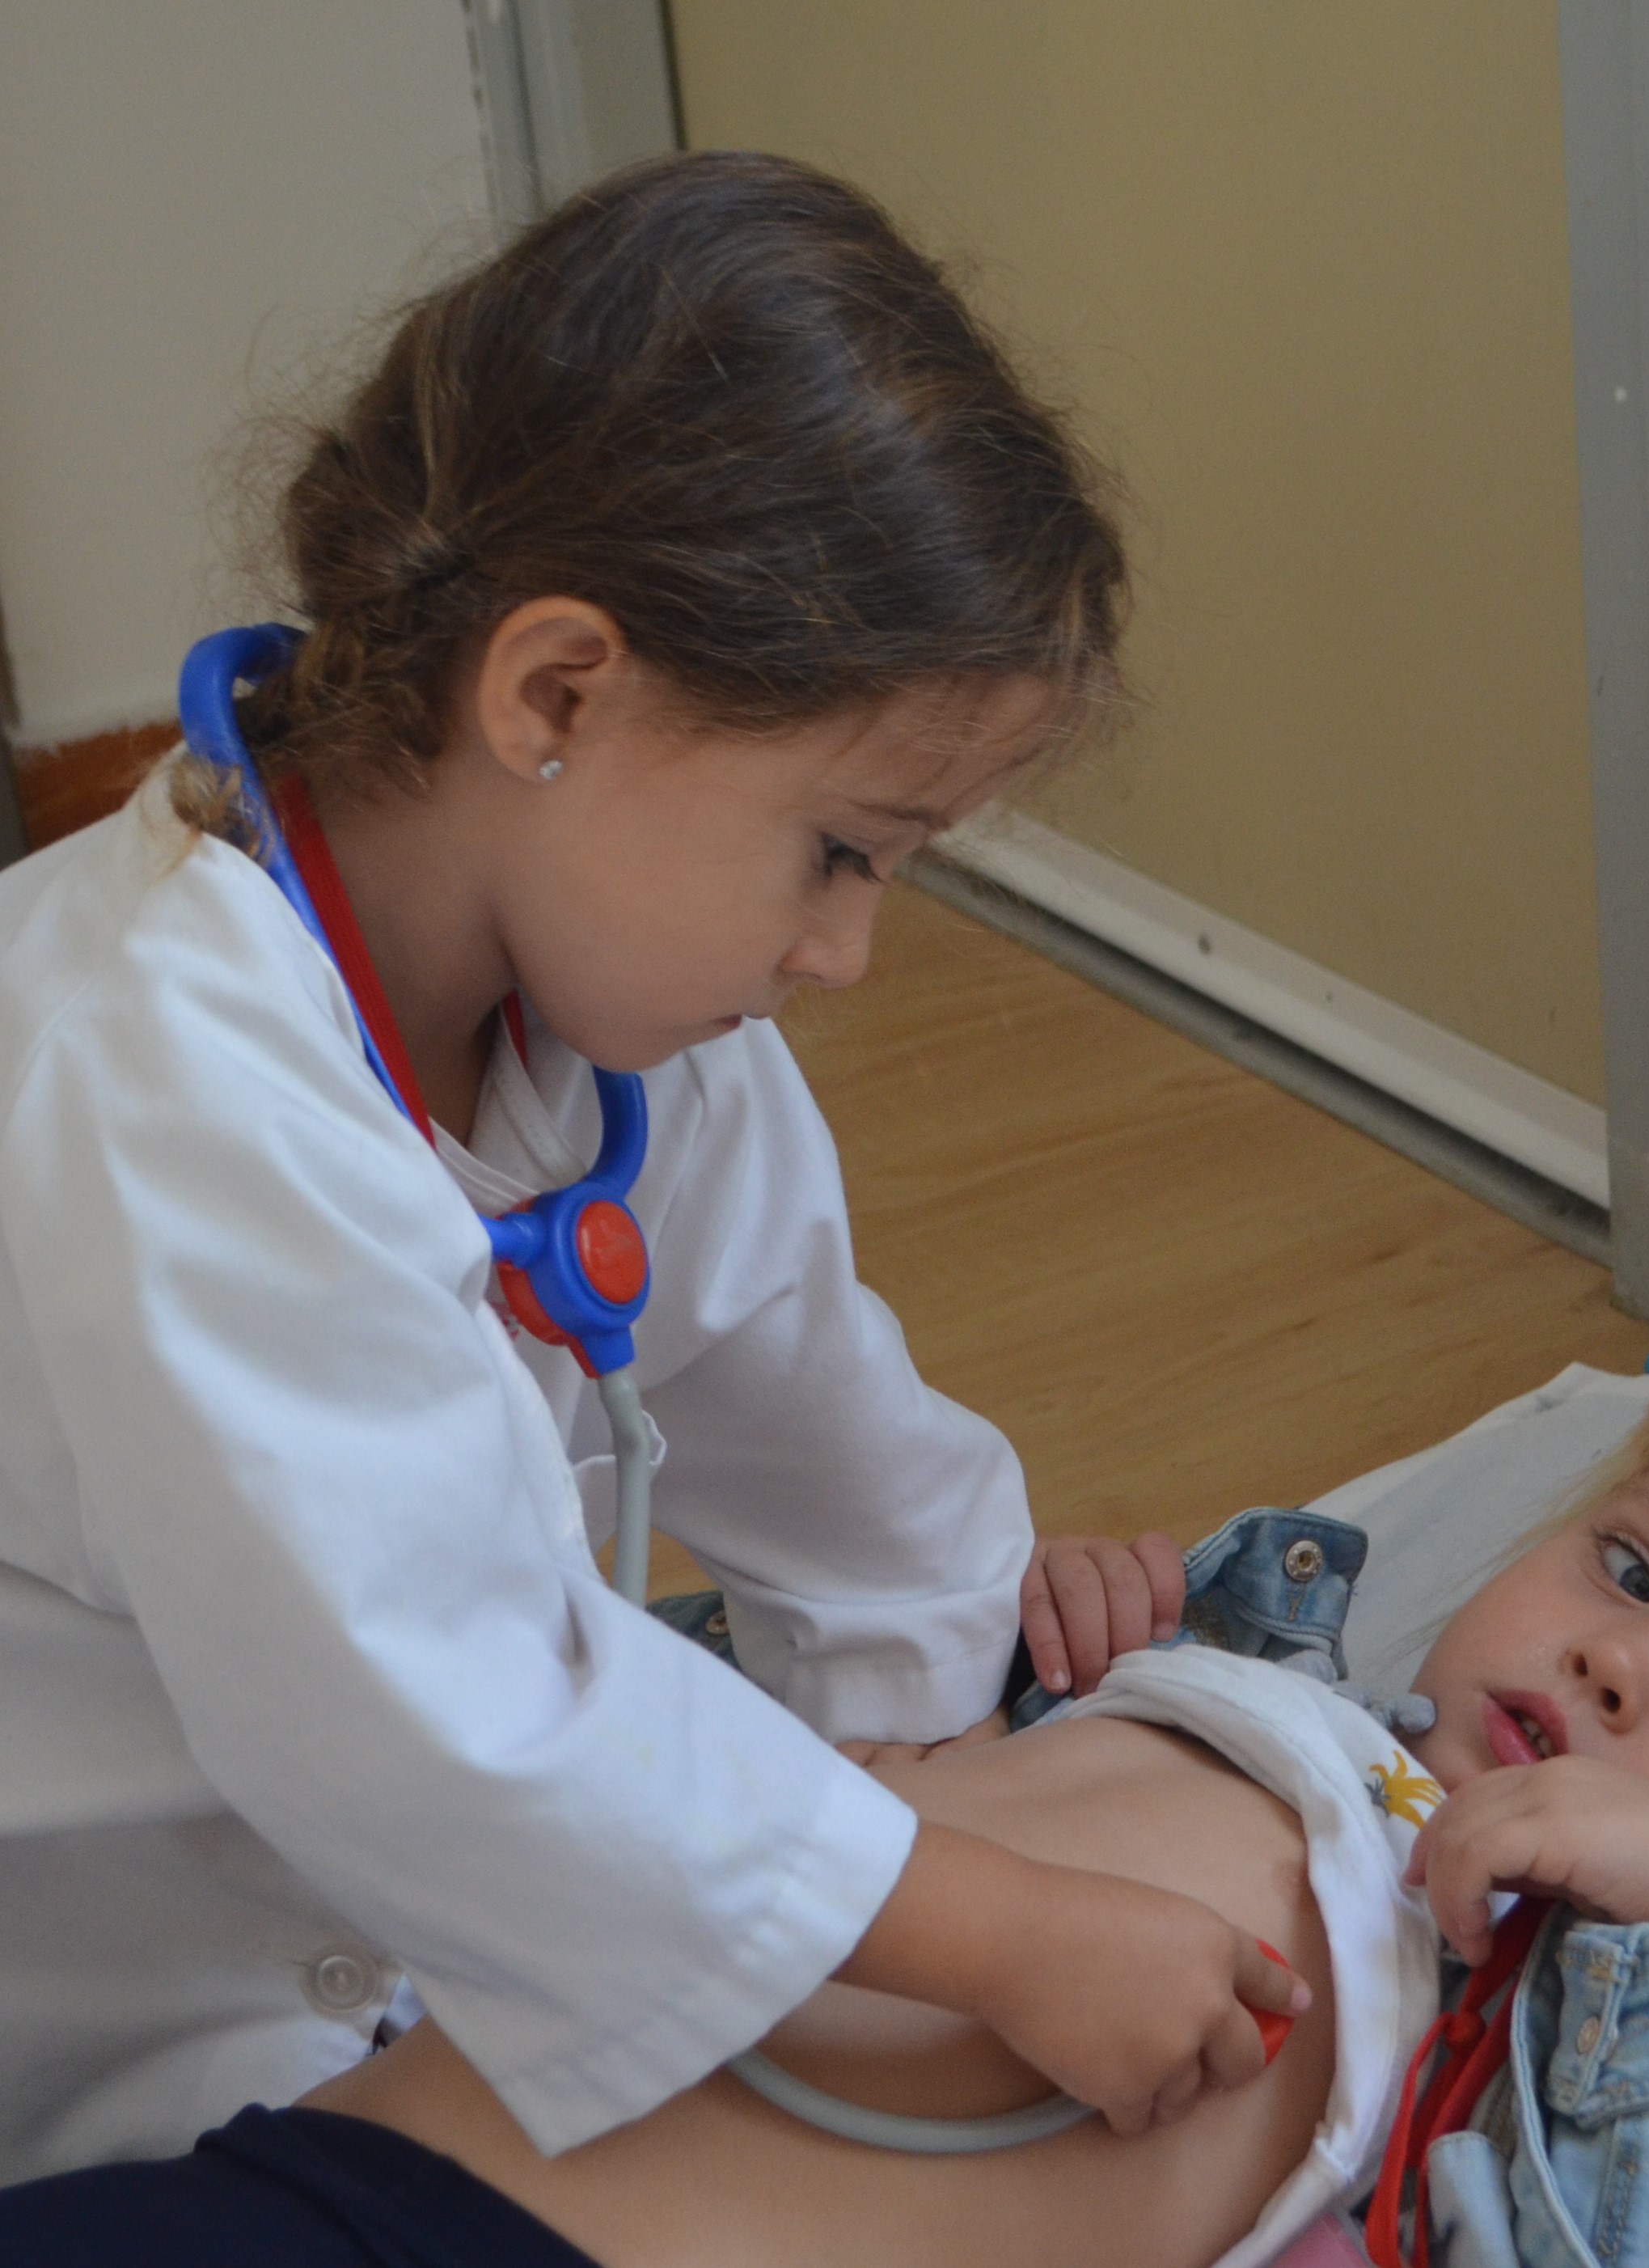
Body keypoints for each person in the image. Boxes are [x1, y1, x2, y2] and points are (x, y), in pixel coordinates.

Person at [0, 150, 1304, 2190]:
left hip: (370, 1938)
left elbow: (855, 1480)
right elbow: (450, 1718)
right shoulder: (152, 1079)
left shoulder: (629, 1040)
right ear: (555, 694)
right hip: (86, 2007)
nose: (844, 952)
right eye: (839, 851)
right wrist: (991, 1926)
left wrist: (943, 1764)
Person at [2, 1356, 1649, 2266]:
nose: (1610, 1666)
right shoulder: (1286, 1692)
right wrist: (1053, 1663)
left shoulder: (1575, 2014)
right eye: (1630, 1567)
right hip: (348, 2141)